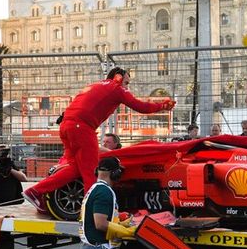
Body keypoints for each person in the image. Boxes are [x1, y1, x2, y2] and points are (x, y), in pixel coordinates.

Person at [23, 67, 175, 213]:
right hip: (82, 128)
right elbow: (140, 106)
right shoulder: (117, 88)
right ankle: (91, 211)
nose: (128, 87)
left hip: (66, 126)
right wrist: (162, 106)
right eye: (127, 83)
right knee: (91, 172)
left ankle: (37, 192)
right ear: (118, 78)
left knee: (73, 168)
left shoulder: (95, 85)